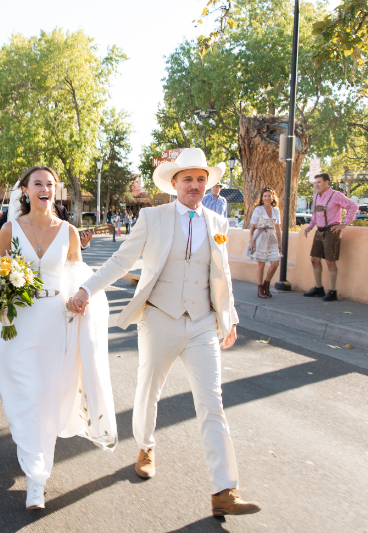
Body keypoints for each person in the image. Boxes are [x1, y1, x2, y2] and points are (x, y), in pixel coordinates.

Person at [69, 148, 261, 518]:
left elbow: (222, 274)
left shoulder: (217, 223)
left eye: (200, 179)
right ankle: (145, 446)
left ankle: (224, 490)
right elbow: (121, 260)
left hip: (203, 322)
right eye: (187, 179)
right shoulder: (152, 217)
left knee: (212, 403)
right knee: (148, 391)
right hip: (159, 318)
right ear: (173, 184)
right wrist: (86, 289)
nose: (194, 185)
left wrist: (229, 317)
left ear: (208, 184)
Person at [0, 166, 117, 510]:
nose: (45, 188)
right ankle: (28, 448)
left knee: (47, 397)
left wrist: (82, 301)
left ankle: (37, 479)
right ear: (25, 190)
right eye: (38, 183)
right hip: (17, 323)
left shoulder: (69, 232)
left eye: (50, 184)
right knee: (20, 393)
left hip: (55, 323)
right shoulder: (9, 230)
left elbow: (80, 277)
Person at [302, 173, 358, 301]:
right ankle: (318, 288)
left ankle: (333, 291)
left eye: (319, 182)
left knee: (329, 261)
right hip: (319, 231)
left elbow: (353, 206)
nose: (317, 185)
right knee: (314, 259)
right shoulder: (316, 196)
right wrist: (310, 226)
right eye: (315, 182)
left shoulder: (335, 195)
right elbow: (316, 215)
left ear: (327, 182)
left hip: (331, 231)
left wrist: (344, 224)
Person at [245, 187, 282, 298]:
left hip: (272, 237)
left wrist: (280, 242)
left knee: (275, 263)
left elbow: (278, 228)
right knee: (261, 264)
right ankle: (260, 288)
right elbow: (252, 228)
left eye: (269, 196)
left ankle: (267, 283)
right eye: (265, 196)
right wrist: (251, 241)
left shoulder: (276, 210)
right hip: (260, 236)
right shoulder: (258, 209)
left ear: (272, 197)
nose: (267, 198)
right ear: (262, 198)